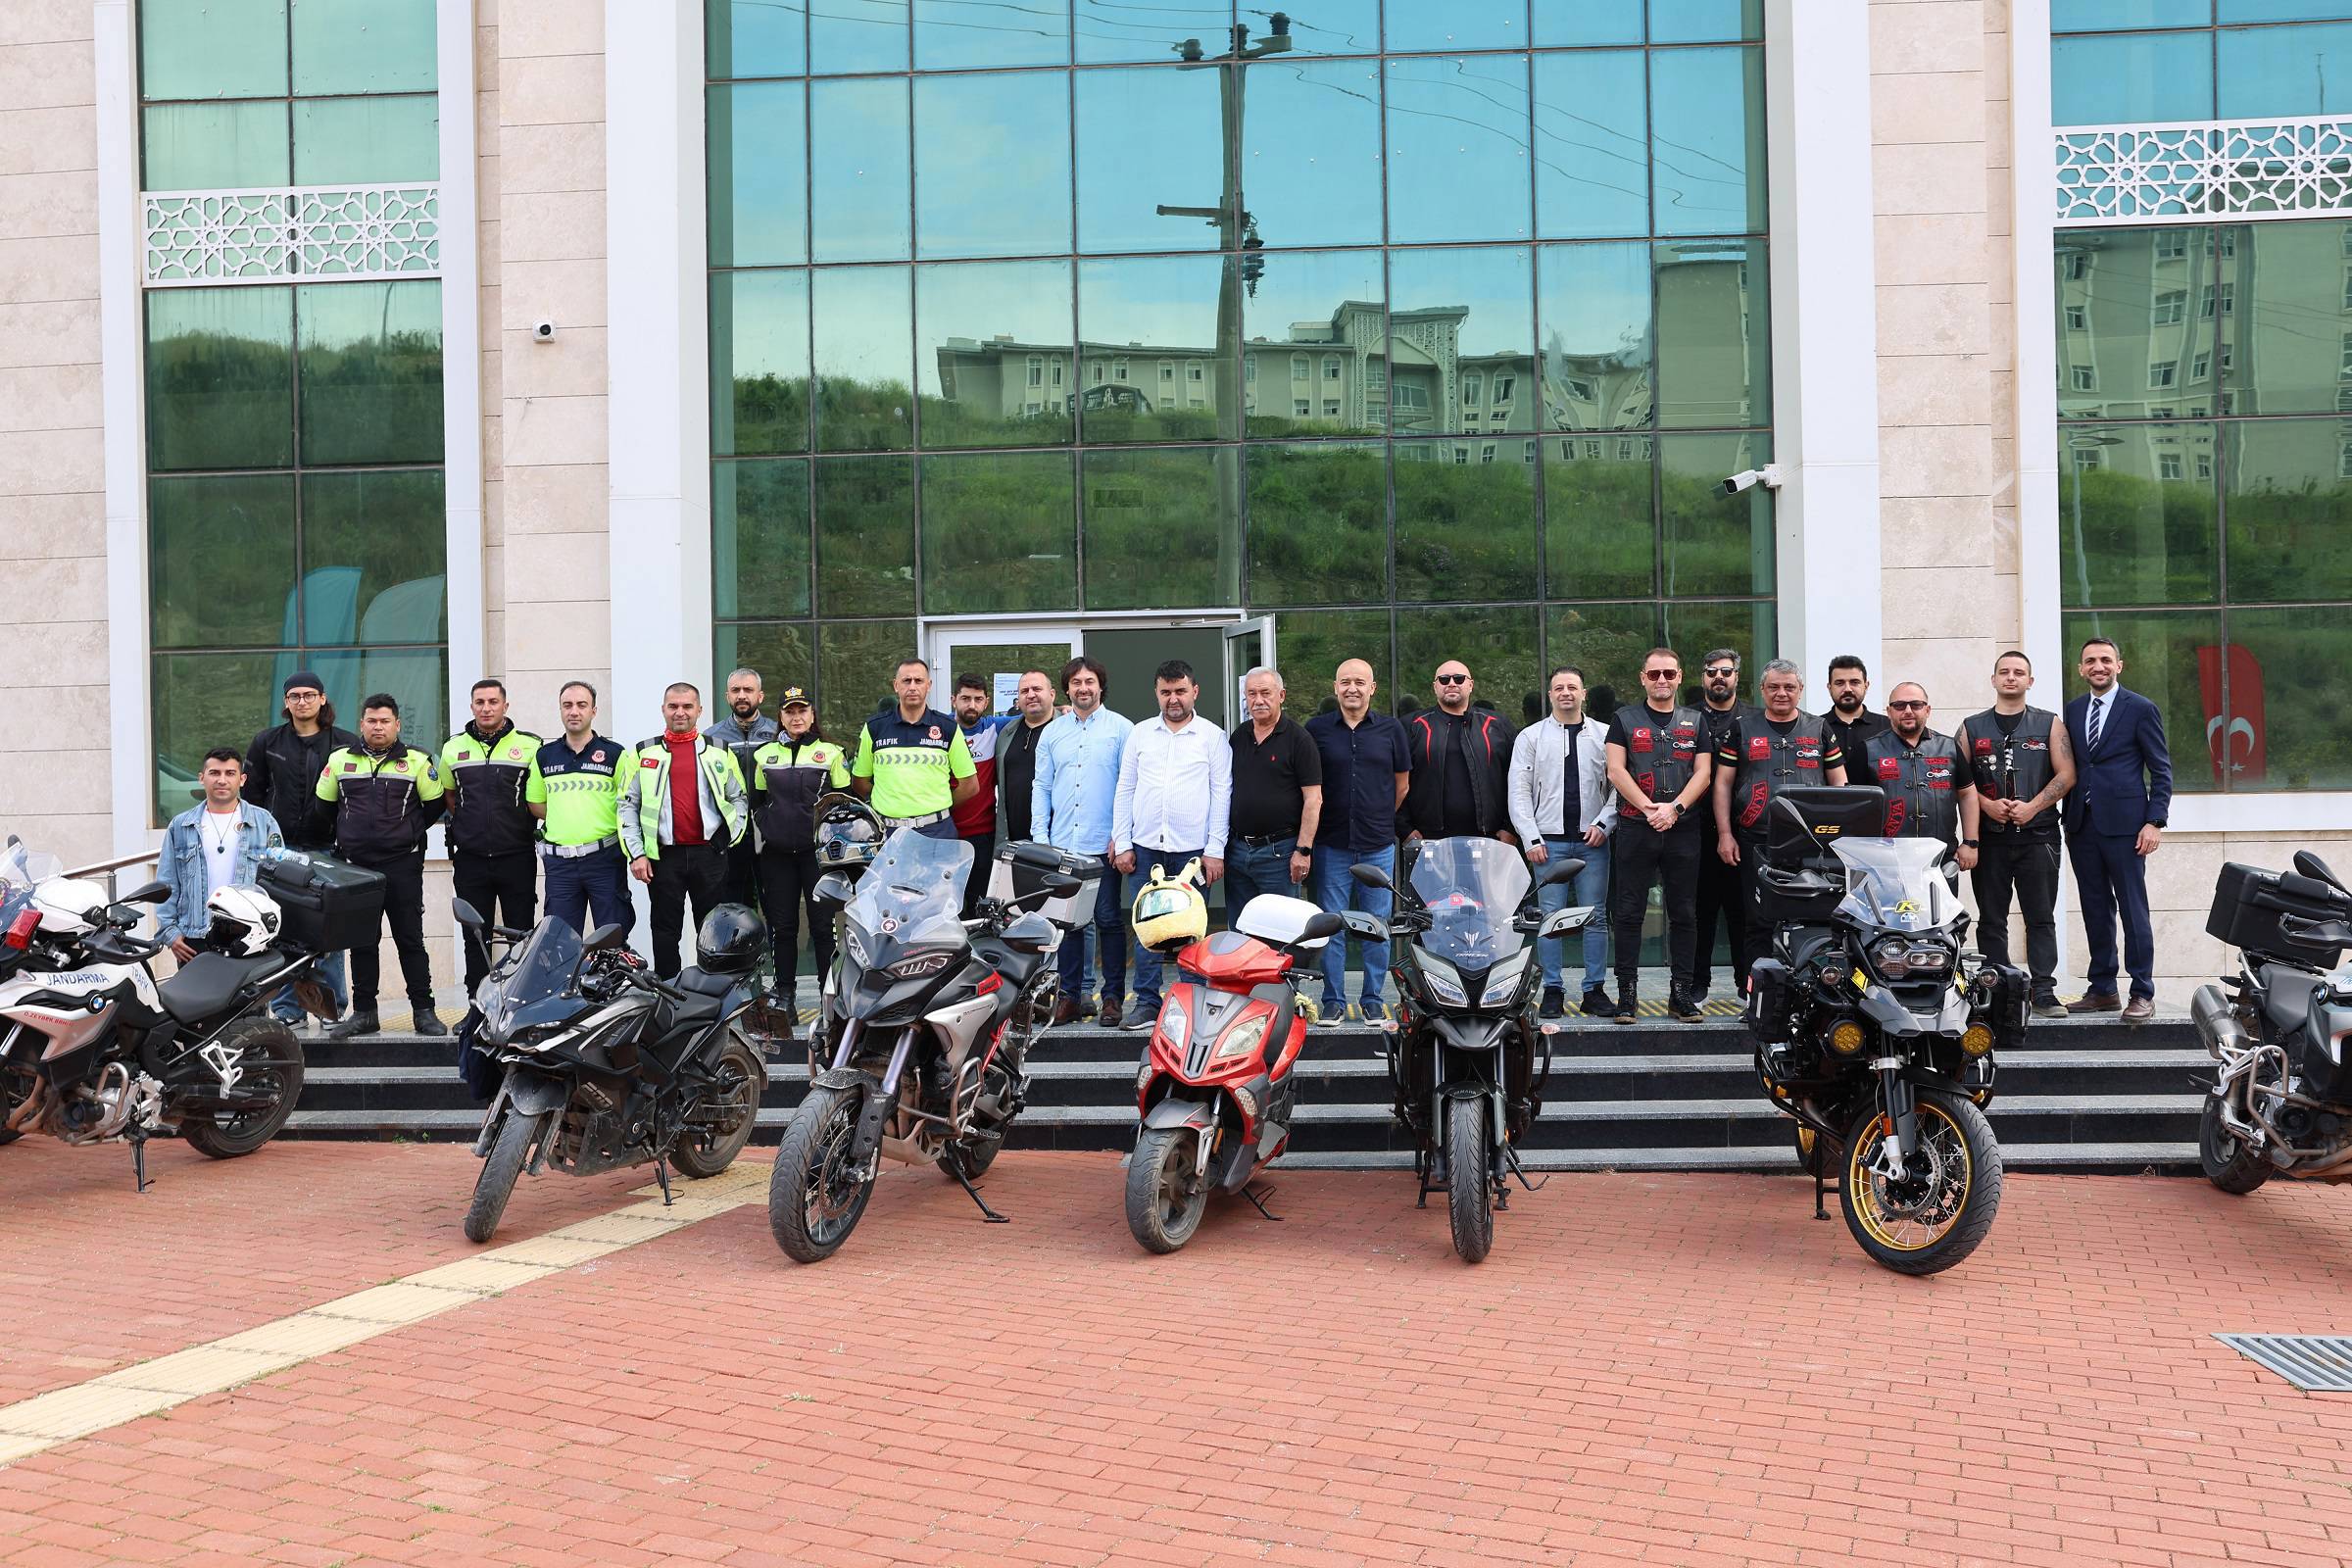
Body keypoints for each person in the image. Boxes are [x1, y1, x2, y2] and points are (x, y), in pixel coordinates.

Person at [316, 694, 446, 1038]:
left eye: (385, 721)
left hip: (402, 865)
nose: (378, 727)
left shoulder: (418, 761)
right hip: (356, 868)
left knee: (410, 939)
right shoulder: (340, 760)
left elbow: (433, 807)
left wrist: (405, 834)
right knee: (362, 942)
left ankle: (424, 1012)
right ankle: (364, 1014)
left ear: (397, 725)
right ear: (361, 724)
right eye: (371, 721)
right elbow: (324, 807)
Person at [1111, 660, 1231, 1030]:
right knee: (1148, 925)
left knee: (1191, 928)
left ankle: (1190, 1002)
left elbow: (1221, 794)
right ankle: (1147, 1003)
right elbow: (1125, 788)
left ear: (1195, 691)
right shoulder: (1140, 734)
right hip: (1146, 847)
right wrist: (1123, 841)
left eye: (1180, 691)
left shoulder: (1213, 737)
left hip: (1193, 852)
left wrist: (1215, 849)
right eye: (1166, 692)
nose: (1173, 698)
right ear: (1157, 693)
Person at [1712, 659, 1846, 983]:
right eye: (1774, 687)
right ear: (1762, 690)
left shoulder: (1820, 729)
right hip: (1756, 839)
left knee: (1813, 918)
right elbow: (1722, 784)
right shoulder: (1741, 728)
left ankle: (1812, 987)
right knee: (1757, 920)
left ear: (1801, 690)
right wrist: (1725, 834)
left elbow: (1841, 784)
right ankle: (1755, 992)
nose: (1781, 693)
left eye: (1789, 687)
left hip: (1812, 843)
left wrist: (1839, 838)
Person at [1960, 652, 2077, 1020]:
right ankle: (1999, 991)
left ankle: (2043, 991)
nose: (2011, 677)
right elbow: (1959, 781)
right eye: (2004, 672)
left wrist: (2033, 807)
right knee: (1991, 918)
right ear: (1993, 679)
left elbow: (2067, 774)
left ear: (2030, 681)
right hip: (1991, 839)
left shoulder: (2049, 724)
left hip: (2038, 836)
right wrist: (1986, 805)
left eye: (2019, 672)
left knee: (2040, 917)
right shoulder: (1971, 727)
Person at [2062, 637, 2171, 1023]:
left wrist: (2155, 821)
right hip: (2081, 825)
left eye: (2106, 660)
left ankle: (2142, 992)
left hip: (2128, 827)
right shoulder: (2073, 711)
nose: (2099, 666)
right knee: (2095, 908)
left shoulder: (2140, 708)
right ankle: (2103, 989)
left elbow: (2161, 770)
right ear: (2081, 669)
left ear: (2119, 666)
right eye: (2091, 660)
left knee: (2132, 909)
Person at [1605, 648, 1714, 1024]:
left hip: (1683, 828)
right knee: (1628, 912)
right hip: (1636, 827)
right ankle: (1627, 994)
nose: (1662, 680)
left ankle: (1681, 993)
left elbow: (1704, 773)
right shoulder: (1623, 719)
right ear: (1643, 678)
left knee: (1684, 913)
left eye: (1669, 673)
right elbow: (1616, 770)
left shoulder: (1696, 721)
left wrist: (1675, 809)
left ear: (1680, 676)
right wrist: (1650, 808)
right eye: (1654, 674)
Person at [244, 669, 357, 1027]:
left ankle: (331, 1009)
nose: (302, 701)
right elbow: (252, 797)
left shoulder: (345, 744)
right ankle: (288, 1011)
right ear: (286, 702)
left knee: (329, 934)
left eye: (309, 695)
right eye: (295, 696)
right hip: (281, 851)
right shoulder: (267, 742)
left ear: (322, 699)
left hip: (329, 850)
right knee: (282, 931)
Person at [618, 682, 750, 979]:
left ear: (699, 710)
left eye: (687, 706)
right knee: (665, 931)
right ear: (663, 709)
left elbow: (739, 798)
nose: (680, 712)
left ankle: (712, 992)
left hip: (709, 854)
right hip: (663, 857)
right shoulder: (642, 752)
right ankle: (669, 993)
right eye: (673, 706)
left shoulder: (719, 750)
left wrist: (728, 838)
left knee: (714, 932)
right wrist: (637, 854)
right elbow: (627, 805)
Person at [1305, 659, 1412, 1024]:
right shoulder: (1317, 730)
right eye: (1345, 682)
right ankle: (1333, 1000)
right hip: (1331, 844)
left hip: (1377, 844)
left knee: (1375, 926)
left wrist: (1378, 814)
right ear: (1335, 687)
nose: (1352, 688)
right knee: (1332, 925)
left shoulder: (1391, 730)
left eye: (1360, 682)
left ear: (1372, 688)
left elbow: (1402, 785)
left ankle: (1372, 1000)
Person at [1506, 665, 1615, 1020]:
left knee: (1595, 917)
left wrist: (1605, 823)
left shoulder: (1605, 735)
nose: (1566, 692)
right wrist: (1530, 837)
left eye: (1572, 687)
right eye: (1559, 687)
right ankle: (1552, 990)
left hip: (1592, 842)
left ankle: (1594, 991)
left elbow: (1620, 785)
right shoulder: (1530, 737)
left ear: (1584, 693)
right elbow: (1518, 792)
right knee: (1550, 919)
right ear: (1550, 694)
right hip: (1547, 845)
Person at [1034, 656, 1133, 1027]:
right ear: (1067, 689)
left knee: (1108, 920)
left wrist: (1121, 835)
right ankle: (1071, 998)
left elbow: (1130, 787)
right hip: (1063, 845)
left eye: (1089, 681)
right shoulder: (1053, 733)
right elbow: (1041, 786)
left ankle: (1112, 998)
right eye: (1076, 683)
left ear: (1101, 686)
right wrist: (1041, 838)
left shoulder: (1122, 729)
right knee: (1068, 925)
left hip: (1104, 844)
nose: (1083, 688)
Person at [747, 687, 850, 1036]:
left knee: (822, 928)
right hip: (777, 855)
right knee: (783, 928)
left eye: (802, 710)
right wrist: (768, 825)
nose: (796, 717)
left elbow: (843, 803)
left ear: (812, 715)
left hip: (816, 855)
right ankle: (785, 997)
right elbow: (757, 801)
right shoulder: (764, 755)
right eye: (789, 711)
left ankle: (828, 997)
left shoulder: (831, 753)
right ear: (780, 716)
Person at [438, 678, 543, 998]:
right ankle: (476, 1006)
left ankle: (518, 1003)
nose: (486, 708)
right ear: (471, 707)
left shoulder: (531, 746)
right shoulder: (452, 747)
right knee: (475, 937)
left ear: (505, 706)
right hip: (471, 859)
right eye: (480, 702)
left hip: (516, 856)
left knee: (521, 936)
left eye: (493, 702)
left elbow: (536, 798)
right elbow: (450, 797)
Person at [155, 749, 284, 962]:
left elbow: (279, 882)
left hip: (249, 936)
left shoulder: (264, 823)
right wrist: (170, 933)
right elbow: (167, 883)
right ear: (201, 778)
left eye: (230, 773)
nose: (222, 780)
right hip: (195, 937)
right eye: (214, 773)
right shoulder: (181, 825)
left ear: (242, 779)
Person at [531, 679, 634, 944]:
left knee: (612, 940)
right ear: (560, 710)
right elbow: (536, 804)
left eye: (581, 705)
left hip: (605, 861)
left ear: (594, 711)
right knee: (559, 943)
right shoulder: (544, 756)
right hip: (561, 866)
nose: (574, 711)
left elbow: (629, 804)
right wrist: (566, 818)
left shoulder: (615, 754)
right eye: (567, 705)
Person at [1224, 666, 1323, 914]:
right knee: (1239, 928)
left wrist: (1303, 851)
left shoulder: (1299, 740)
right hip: (1238, 852)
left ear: (1281, 695)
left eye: (1265, 693)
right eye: (1252, 694)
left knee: (1279, 929)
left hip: (1279, 854)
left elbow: (1313, 800)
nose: (1258, 700)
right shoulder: (1239, 737)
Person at [1690, 649, 1757, 1004]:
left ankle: (1745, 983)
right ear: (1702, 676)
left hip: (1743, 826)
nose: (1719, 677)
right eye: (1712, 671)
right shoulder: (1687, 718)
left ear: (1736, 677)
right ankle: (1697, 983)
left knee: (1742, 911)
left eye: (1726, 671)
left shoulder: (1754, 720)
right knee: (1699, 911)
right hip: (1694, 827)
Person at [851, 658, 977, 841]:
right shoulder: (874, 727)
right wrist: (885, 802)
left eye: (918, 681)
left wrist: (939, 808)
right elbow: (859, 782)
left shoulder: (948, 728)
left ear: (928, 685)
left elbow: (970, 786)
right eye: (906, 681)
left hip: (937, 831)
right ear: (896, 685)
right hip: (888, 832)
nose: (912, 687)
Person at [1861, 683, 1980, 865]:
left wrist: (1970, 843)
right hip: (1886, 859)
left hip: (1941, 856)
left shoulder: (1949, 747)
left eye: (1916, 705)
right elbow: (1856, 805)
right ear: (1889, 712)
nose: (1908, 711)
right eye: (1899, 705)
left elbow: (1967, 794)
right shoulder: (1868, 750)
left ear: (1927, 710)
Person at [1402, 661, 1517, 844]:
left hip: (1491, 838)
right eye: (1444, 679)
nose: (1451, 683)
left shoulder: (1497, 725)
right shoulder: (1413, 726)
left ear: (1470, 685)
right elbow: (1392, 781)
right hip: (1429, 839)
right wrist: (1404, 829)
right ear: (1435, 687)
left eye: (1459, 678)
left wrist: (1511, 829)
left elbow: (1519, 780)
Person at [706, 667, 780, 906]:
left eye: (748, 690)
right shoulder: (712, 738)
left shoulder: (777, 733)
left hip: (769, 832)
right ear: (727, 696)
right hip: (729, 832)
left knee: (775, 905)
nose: (741, 695)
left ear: (760, 696)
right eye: (735, 690)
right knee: (733, 905)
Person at [949, 673, 1010, 917]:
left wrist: (1061, 710)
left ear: (987, 702)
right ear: (953, 700)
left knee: (979, 907)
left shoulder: (995, 727)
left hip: (983, 836)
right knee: (946, 906)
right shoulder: (939, 729)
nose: (971, 705)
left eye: (978, 699)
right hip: (945, 834)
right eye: (965, 698)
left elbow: (1035, 714)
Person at [998, 670, 1054, 845]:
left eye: (1037, 689)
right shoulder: (1006, 733)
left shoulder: (1066, 731)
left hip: (1055, 838)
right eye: (1024, 691)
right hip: (1012, 840)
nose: (1030, 695)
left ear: (1052, 694)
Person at [1824, 655, 1889, 765]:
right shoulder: (1817, 728)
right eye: (1840, 683)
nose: (1847, 689)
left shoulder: (1888, 727)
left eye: (1854, 682)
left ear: (1866, 686)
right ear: (1829, 688)